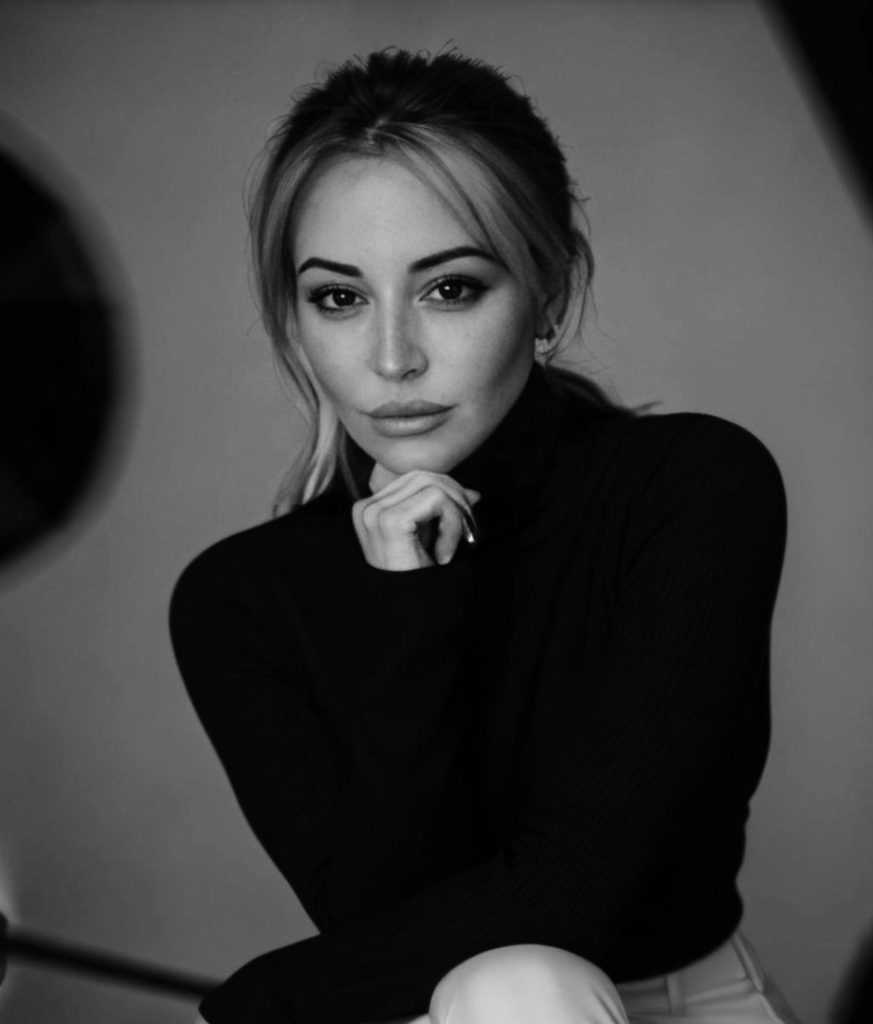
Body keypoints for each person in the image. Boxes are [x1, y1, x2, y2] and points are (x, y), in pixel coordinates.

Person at [169, 48, 799, 1024]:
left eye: (449, 288)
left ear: (548, 292)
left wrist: (266, 1002)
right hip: (431, 1012)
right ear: (294, 323)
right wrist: (409, 599)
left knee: (519, 983)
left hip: (678, 1003)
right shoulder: (241, 600)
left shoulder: (690, 487)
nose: (392, 358)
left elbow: (574, 892)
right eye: (339, 297)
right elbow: (381, 924)